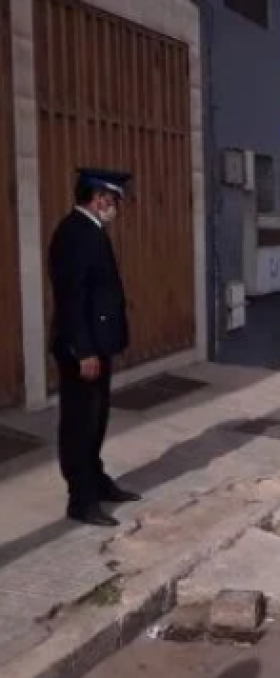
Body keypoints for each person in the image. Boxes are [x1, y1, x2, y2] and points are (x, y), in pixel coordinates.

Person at [48, 168, 142, 527]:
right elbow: (72, 298)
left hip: (95, 343)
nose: (116, 207)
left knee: (96, 418)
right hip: (80, 348)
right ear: (99, 197)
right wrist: (84, 350)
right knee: (80, 422)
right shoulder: (74, 233)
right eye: (114, 199)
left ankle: (96, 481)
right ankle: (81, 499)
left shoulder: (91, 230)